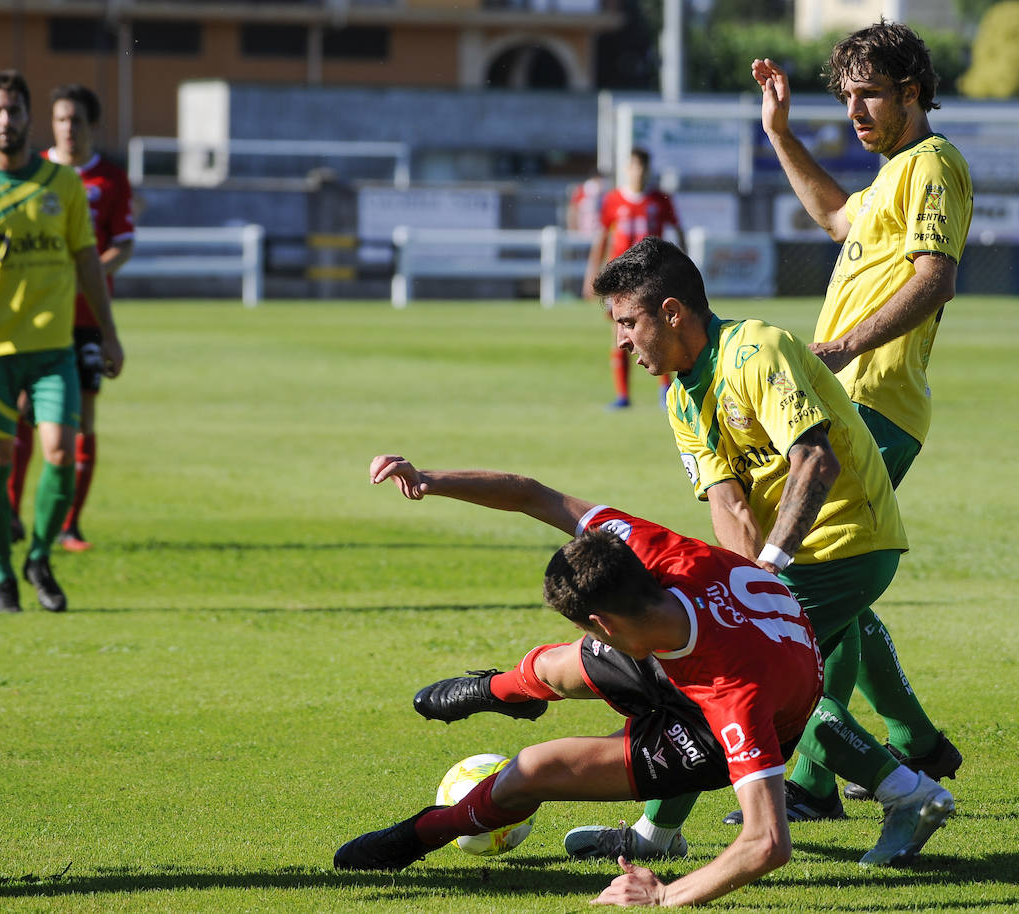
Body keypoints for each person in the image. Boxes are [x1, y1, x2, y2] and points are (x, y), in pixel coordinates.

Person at [333, 454, 955, 906]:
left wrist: (663, 898)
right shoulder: (654, 554)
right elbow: (532, 493)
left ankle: (424, 833)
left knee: (535, 769)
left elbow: (768, 843)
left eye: (591, 630)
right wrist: (428, 480)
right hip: (679, 640)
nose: (590, 637)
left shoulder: (736, 699)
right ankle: (503, 692)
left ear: (602, 621)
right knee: (555, 666)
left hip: (707, 728)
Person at [574, 236, 958, 855]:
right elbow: (727, 501)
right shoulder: (681, 396)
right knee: (727, 666)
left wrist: (767, 573)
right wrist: (737, 580)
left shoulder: (757, 350)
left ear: (672, 312)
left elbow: (815, 463)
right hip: (794, 555)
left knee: (733, 669)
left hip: (847, 542)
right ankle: (660, 832)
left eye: (628, 322)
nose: (620, 340)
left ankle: (905, 792)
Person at [753, 24, 971, 801]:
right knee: (833, 583)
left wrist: (844, 346)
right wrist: (780, 134)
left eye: (869, 92)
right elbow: (837, 218)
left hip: (877, 402)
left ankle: (816, 774)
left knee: (816, 585)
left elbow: (935, 278)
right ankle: (905, 735)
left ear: (913, 91)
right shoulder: (890, 177)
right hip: (851, 404)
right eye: (846, 95)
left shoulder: (934, 163)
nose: (854, 109)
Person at [0, 69, 124, 614]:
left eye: (14, 110)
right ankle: (3, 579)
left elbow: (88, 262)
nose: (6, 120)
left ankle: (39, 557)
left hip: (53, 349)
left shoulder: (61, 185)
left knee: (61, 453)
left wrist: (109, 332)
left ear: (27, 118)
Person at [8, 83, 136, 551]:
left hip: (85, 317)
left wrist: (88, 273)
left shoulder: (110, 180)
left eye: (77, 120)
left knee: (82, 419)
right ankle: (12, 513)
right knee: (23, 410)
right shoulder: (32, 172)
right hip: (38, 318)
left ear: (91, 126)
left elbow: (123, 243)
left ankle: (70, 524)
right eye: (61, 119)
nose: (68, 128)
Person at [581, 147, 684, 409]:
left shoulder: (659, 200)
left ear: (647, 170)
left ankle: (666, 390)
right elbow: (602, 239)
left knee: (658, 329)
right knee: (620, 332)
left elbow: (677, 231)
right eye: (633, 166)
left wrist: (683, 267)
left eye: (641, 167)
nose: (637, 171)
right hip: (620, 280)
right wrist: (591, 275)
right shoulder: (613, 200)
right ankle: (623, 395)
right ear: (627, 169)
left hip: (652, 276)